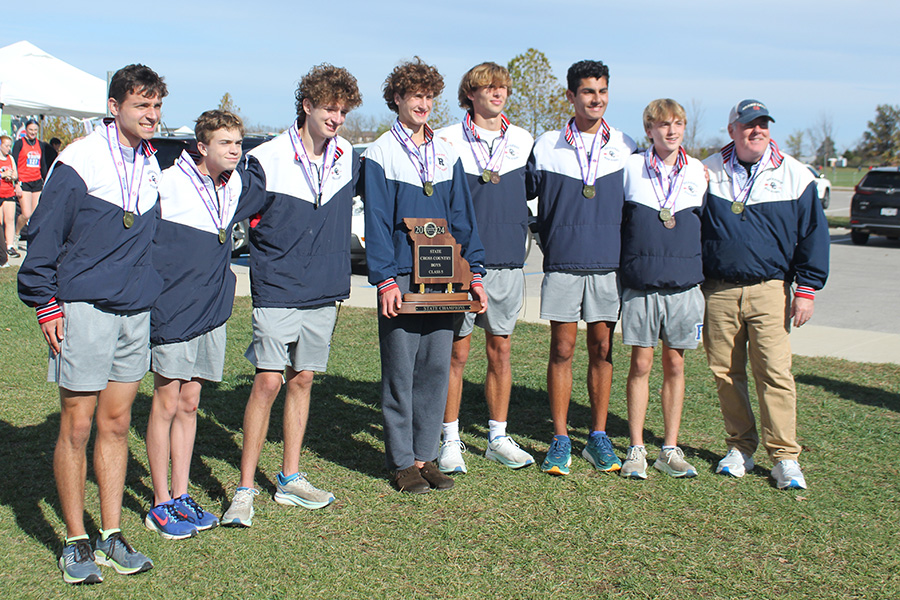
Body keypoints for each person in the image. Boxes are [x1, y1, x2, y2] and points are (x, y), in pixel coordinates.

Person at [17, 64, 167, 584]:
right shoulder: (79, 159)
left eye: (156, 106)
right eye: (141, 105)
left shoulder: (151, 162)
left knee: (117, 424)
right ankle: (75, 540)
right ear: (114, 107)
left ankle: (110, 534)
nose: (151, 115)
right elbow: (45, 237)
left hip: (133, 311)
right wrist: (46, 304)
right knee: (77, 426)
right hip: (83, 309)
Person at [221, 64, 362, 526]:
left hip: (324, 290)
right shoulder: (268, 156)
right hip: (278, 286)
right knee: (268, 382)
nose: (336, 118)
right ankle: (244, 489)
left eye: (342, 110)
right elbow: (229, 210)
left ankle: (289, 478)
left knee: (303, 380)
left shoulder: (348, 157)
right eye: (329, 108)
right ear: (307, 105)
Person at [363, 57, 487, 493]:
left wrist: (475, 273)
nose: (424, 104)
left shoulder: (446, 151)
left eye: (429, 96)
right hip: (402, 278)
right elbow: (375, 222)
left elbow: (462, 219)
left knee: (436, 370)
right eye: (415, 95)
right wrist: (385, 280)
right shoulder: (380, 152)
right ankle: (401, 462)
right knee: (401, 373)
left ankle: (425, 457)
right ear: (396, 98)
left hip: (445, 280)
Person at [144, 110, 265, 539]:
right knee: (166, 401)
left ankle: (180, 494)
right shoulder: (166, 182)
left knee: (192, 401)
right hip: (174, 306)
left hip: (212, 307)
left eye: (238, 143)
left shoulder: (233, 184)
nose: (235, 150)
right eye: (225, 143)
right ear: (201, 146)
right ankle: (160, 503)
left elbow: (262, 185)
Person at [702, 99, 829, 490]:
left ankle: (785, 457)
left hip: (770, 289)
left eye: (762, 125)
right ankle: (740, 447)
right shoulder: (707, 171)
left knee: (774, 372)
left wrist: (805, 290)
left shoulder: (795, 174)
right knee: (726, 374)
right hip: (719, 291)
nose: (756, 131)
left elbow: (813, 236)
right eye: (748, 125)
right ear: (732, 130)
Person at [526, 59, 635, 476]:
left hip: (608, 265)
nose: (597, 99)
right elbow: (522, 195)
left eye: (603, 91)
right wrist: (542, 232)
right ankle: (559, 438)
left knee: (603, 350)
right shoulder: (547, 144)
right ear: (571, 96)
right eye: (588, 92)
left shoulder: (625, 146)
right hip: (564, 263)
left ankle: (599, 436)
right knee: (562, 349)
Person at [434, 62, 535, 474]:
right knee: (455, 354)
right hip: (460, 263)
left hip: (508, 261)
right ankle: (450, 438)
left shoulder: (524, 140)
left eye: (503, 87)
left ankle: (497, 436)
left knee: (502, 350)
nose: (498, 93)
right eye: (488, 87)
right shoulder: (445, 138)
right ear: (470, 94)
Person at [619, 99, 708, 480]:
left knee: (675, 364)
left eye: (677, 124)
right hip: (642, 285)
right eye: (662, 125)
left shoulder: (700, 174)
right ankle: (637, 448)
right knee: (641, 364)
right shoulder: (631, 168)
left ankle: (669, 448)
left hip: (684, 287)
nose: (670, 131)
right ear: (649, 130)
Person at [12, 119, 49, 244]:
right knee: (26, 214)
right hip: (24, 181)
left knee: (35, 215)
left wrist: (46, 179)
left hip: (37, 181)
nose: (33, 132)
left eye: (35, 130)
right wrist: (16, 182)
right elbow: (15, 163)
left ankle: (32, 240)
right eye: (30, 130)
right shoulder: (19, 143)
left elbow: (42, 164)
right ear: (26, 130)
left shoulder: (40, 144)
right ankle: (16, 233)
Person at [0, 135, 18, 261]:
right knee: (0, 222)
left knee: (10, 219)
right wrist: (2, 174)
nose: (8, 148)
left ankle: (10, 245)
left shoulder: (10, 158)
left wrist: (11, 176)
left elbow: (16, 174)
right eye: (6, 145)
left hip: (9, 191)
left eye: (9, 146)